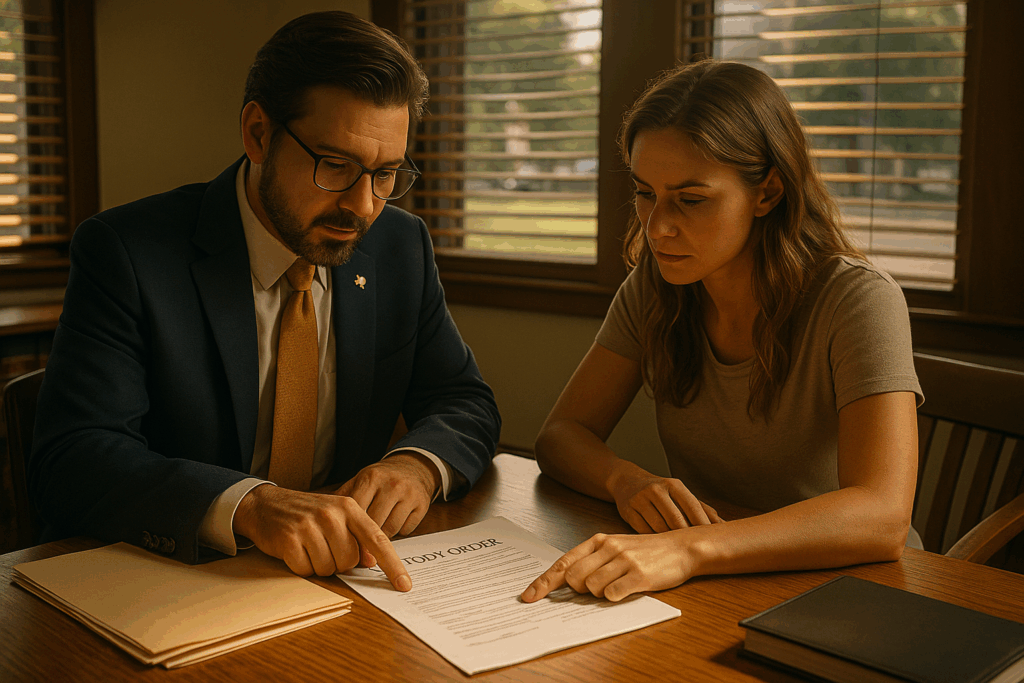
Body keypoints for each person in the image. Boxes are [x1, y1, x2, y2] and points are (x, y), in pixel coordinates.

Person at [29, 11, 500, 591]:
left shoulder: (401, 246)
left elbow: (464, 400)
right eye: (336, 166)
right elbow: (73, 459)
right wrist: (248, 506)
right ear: (257, 133)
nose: (364, 206)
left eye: (386, 173)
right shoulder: (128, 252)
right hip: (169, 580)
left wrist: (418, 465)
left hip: (335, 579)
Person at [521, 60, 922, 604]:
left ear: (767, 192)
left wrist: (689, 551)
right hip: (720, 579)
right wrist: (627, 480)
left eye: (691, 200)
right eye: (644, 193)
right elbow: (562, 435)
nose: (657, 227)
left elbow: (882, 515)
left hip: (854, 589)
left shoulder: (858, 299)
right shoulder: (656, 286)